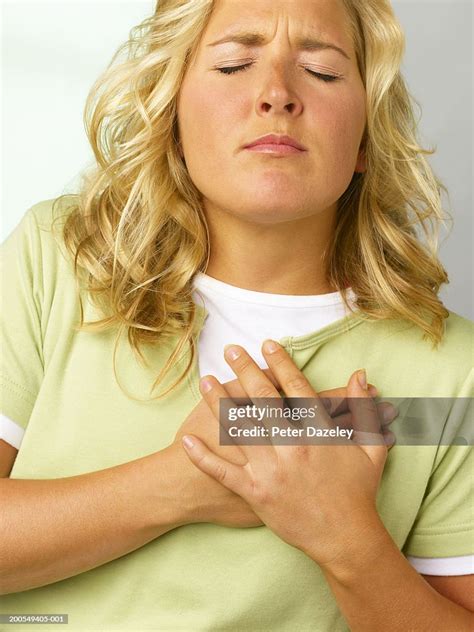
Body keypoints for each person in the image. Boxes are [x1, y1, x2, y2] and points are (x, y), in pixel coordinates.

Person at [0, 0, 472, 630]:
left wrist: (346, 538)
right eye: (232, 64)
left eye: (323, 72)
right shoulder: (58, 260)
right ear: (171, 115)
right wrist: (179, 482)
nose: (277, 93)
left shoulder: (449, 376)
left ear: (366, 137)